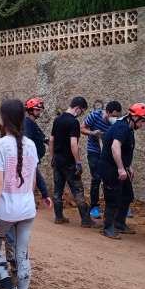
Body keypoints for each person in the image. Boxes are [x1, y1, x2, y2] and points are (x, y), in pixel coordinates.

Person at [0, 99, 51, 289]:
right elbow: (32, 180)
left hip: (5, 207)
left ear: (4, 119)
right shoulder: (31, 145)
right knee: (22, 253)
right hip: (26, 208)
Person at [99, 103, 145, 239]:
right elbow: (115, 147)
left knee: (127, 195)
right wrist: (121, 168)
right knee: (113, 198)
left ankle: (119, 223)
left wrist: (128, 166)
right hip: (110, 168)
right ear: (134, 117)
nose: (143, 125)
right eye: (142, 121)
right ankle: (108, 227)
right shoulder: (121, 128)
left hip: (120, 167)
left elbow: (125, 151)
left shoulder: (128, 128)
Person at [50, 96, 97, 227]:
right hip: (69, 162)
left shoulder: (57, 120)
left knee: (57, 191)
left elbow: (52, 140)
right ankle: (86, 220)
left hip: (58, 161)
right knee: (78, 190)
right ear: (77, 108)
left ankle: (58, 217)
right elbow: (73, 144)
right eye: (82, 111)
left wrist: (52, 157)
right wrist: (78, 162)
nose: (81, 114)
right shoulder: (73, 122)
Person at [81, 101, 123, 219]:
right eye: (113, 115)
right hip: (94, 151)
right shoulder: (95, 116)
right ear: (107, 112)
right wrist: (93, 133)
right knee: (96, 178)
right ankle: (94, 207)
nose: (115, 118)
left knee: (109, 179)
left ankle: (112, 207)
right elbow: (82, 128)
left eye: (117, 116)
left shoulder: (116, 123)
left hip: (107, 153)